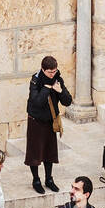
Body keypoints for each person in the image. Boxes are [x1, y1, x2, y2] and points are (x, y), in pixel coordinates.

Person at [24, 56, 72, 194]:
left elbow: (68, 101)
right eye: (50, 72)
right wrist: (46, 89)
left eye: (54, 71)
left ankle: (49, 179)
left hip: (50, 121)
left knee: (49, 151)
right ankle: (36, 180)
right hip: (36, 120)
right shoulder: (35, 80)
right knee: (35, 152)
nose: (53, 74)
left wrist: (60, 91)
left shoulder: (58, 79)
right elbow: (36, 101)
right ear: (43, 69)